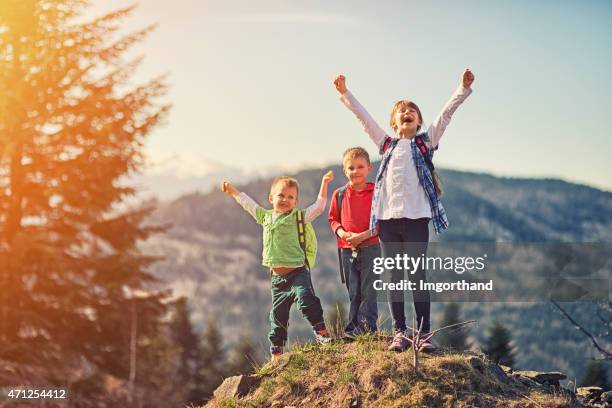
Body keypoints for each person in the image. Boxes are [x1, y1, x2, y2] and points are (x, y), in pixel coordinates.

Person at [333, 69, 475, 352]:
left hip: (415, 221)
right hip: (387, 223)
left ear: (419, 121)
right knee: (394, 277)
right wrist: (345, 94)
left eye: (412, 110)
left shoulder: (425, 143)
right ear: (393, 123)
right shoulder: (385, 145)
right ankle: (400, 331)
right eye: (401, 111)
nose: (407, 112)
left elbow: (446, 115)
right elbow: (364, 119)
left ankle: (423, 334)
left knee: (416, 275)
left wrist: (462, 88)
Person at [221, 171, 334, 358]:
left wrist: (324, 182)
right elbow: (248, 204)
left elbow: (319, 207)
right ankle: (277, 351)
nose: (285, 200)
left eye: (291, 197)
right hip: (277, 280)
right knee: (278, 315)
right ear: (271, 198)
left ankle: (321, 333)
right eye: (281, 195)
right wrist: (233, 191)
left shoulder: (298, 217)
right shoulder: (265, 217)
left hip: (298, 272)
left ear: (296, 202)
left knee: (306, 299)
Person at [328, 147, 380, 340]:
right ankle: (352, 328)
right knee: (354, 289)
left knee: (369, 289)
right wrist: (342, 233)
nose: (355, 171)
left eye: (360, 167)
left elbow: (382, 221)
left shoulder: (376, 192)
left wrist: (362, 236)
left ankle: (367, 327)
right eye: (351, 167)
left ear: (368, 169)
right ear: (345, 170)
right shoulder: (339, 194)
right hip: (347, 249)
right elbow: (333, 219)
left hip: (371, 247)